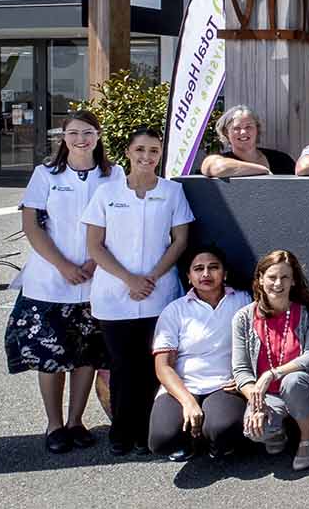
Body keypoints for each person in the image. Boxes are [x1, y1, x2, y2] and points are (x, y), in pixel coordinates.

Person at [7, 110, 118, 454]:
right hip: (50, 282)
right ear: (64, 137)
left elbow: (120, 222)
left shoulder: (114, 175)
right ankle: (54, 425)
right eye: (73, 133)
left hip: (94, 279)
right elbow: (32, 225)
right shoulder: (46, 174)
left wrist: (92, 262)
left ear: (98, 137)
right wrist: (63, 265)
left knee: (86, 354)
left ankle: (76, 421)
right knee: (50, 357)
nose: (81, 139)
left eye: (88, 132)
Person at [83, 127, 194, 456]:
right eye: (141, 150)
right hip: (114, 296)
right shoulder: (106, 193)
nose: (147, 157)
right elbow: (95, 245)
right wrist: (129, 279)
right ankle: (121, 432)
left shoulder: (172, 192)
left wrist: (151, 277)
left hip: (159, 295)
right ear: (128, 153)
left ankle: (150, 430)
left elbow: (181, 241)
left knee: (151, 366)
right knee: (120, 365)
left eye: (154, 151)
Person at [148, 246, 252, 461]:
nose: (206, 274)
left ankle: (214, 439)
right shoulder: (175, 310)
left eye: (213, 267)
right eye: (198, 269)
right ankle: (189, 440)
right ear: (188, 276)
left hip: (224, 385)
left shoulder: (243, 301)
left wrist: (244, 379)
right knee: (162, 440)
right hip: (183, 386)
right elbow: (163, 366)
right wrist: (187, 402)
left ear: (225, 274)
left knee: (223, 428)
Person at [231, 250, 309, 471]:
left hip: (306, 385)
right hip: (269, 394)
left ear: (293, 280)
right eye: (272, 277)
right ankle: (278, 430)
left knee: (292, 381)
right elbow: (240, 370)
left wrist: (273, 373)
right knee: (253, 430)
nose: (278, 283)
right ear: (260, 279)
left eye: (285, 277)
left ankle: (307, 436)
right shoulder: (243, 318)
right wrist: (256, 402)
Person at [199, 106, 297, 177]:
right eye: (236, 128)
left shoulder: (282, 159)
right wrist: (263, 170)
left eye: (248, 126)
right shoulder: (219, 159)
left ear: (257, 129)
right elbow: (218, 168)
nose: (243, 132)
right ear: (226, 133)